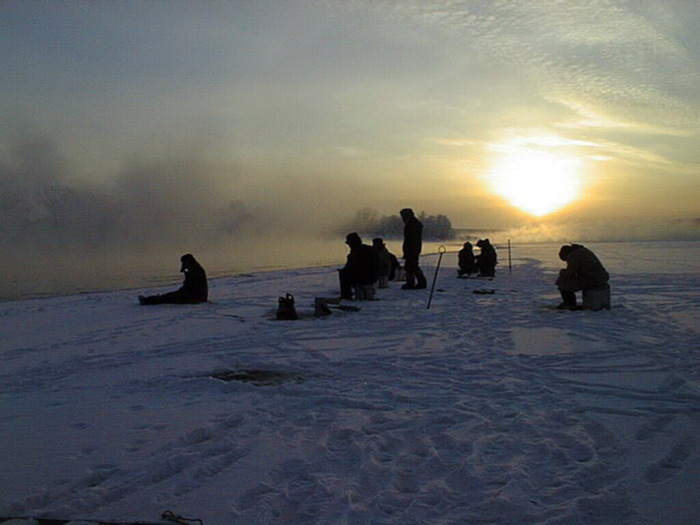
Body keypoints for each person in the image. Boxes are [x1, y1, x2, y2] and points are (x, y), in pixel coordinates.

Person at [555, 244, 609, 310]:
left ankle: (569, 304)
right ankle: (570, 303)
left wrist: (562, 272)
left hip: (593, 279)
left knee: (563, 282)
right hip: (601, 277)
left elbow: (570, 272)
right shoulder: (582, 251)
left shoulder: (574, 255)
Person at [138, 253, 208, 305]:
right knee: (170, 296)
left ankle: (148, 301)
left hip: (195, 297)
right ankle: (150, 300)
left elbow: (190, 286)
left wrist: (181, 292)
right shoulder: (196, 269)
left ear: (188, 262)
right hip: (198, 296)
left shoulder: (195, 271)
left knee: (168, 297)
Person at [338, 232, 380, 300]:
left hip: (362, 277)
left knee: (344, 274)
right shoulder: (370, 249)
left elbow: (350, 266)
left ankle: (346, 296)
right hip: (374, 276)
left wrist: (343, 271)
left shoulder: (356, 251)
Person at [400, 208, 427, 289]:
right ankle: (414, 282)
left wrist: (408, 250)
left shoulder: (412, 225)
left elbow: (411, 240)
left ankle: (414, 282)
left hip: (412, 249)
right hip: (412, 249)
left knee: (412, 266)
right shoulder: (412, 224)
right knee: (411, 266)